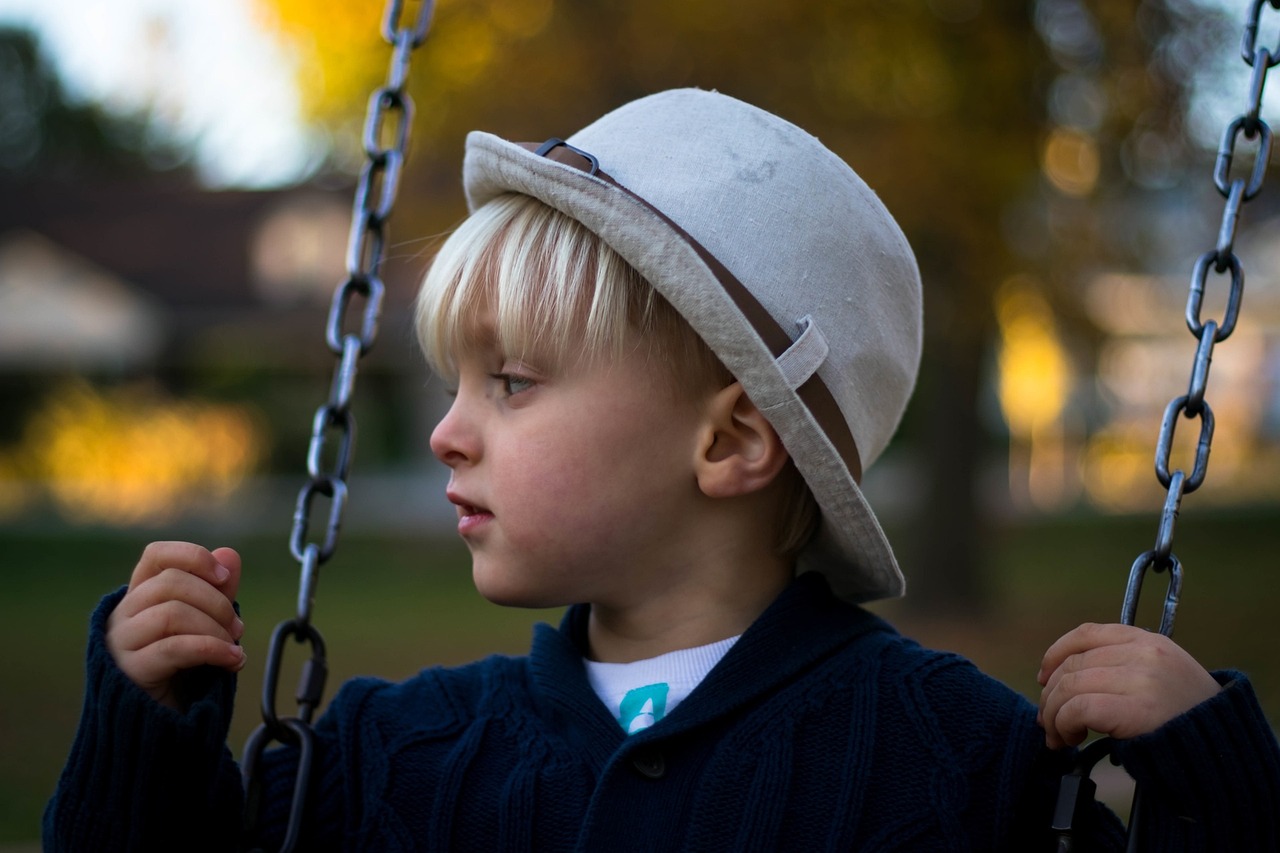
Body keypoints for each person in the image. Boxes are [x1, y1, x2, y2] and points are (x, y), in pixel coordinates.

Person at [44, 88, 1280, 851]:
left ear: (731, 442)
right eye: (457, 384)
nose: (446, 432)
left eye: (512, 383)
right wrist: (142, 735)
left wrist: (1205, 782)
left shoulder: (960, 767)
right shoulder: (381, 759)